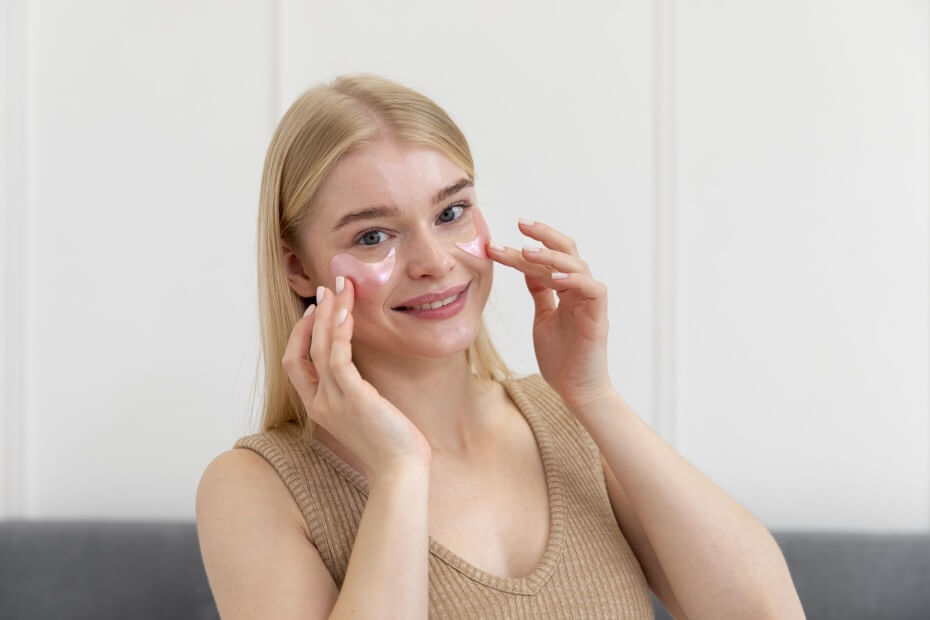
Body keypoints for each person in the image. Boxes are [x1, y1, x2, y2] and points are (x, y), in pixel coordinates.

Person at [195, 74, 805, 619]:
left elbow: (765, 612)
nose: (434, 261)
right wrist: (399, 471)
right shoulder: (253, 488)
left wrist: (592, 395)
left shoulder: (565, 418)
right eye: (374, 234)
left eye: (451, 211)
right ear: (298, 268)